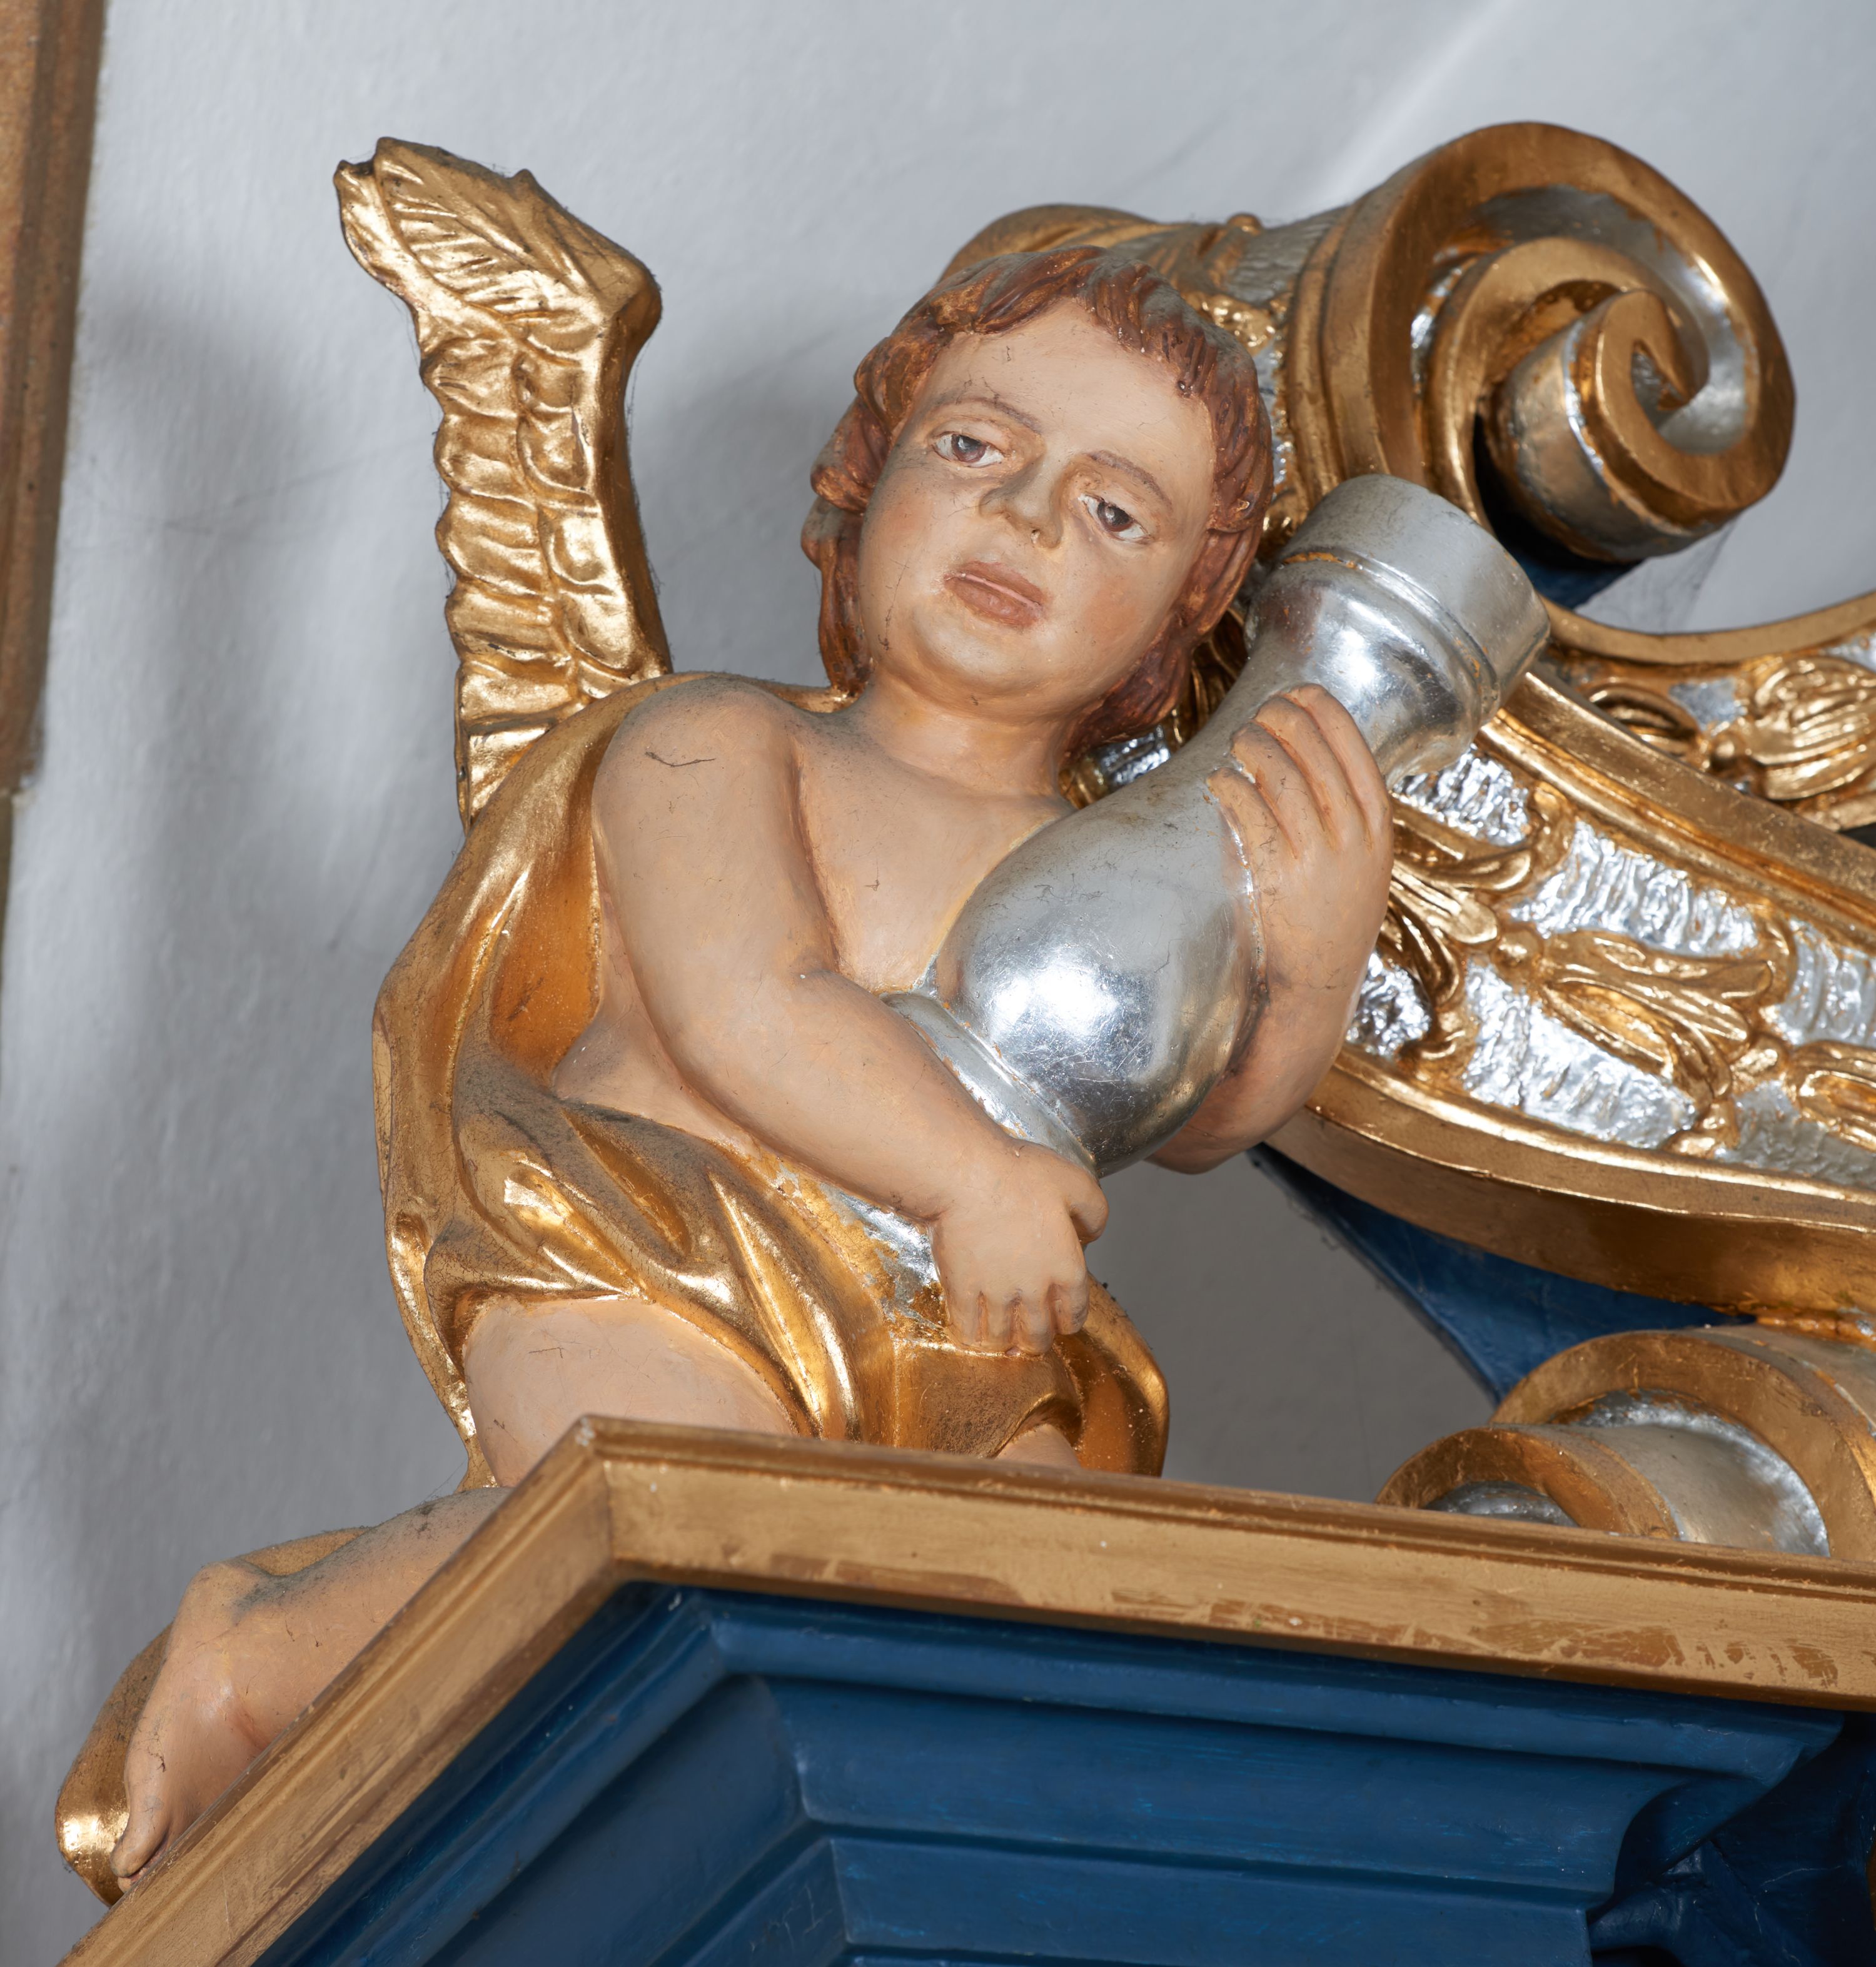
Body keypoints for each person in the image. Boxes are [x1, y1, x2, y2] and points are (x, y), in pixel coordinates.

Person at [103, 246, 1393, 1882]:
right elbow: (750, 1001)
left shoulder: (1108, 867)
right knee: (673, 1520)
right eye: (975, 448)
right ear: (864, 479)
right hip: (658, 1257)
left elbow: (1181, 1117)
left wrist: (1309, 967)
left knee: (1067, 1610)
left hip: (960, 1333)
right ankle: (258, 1646)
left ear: (1182, 620)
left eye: (1115, 511)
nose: (1026, 517)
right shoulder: (714, 741)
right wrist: (972, 1175)